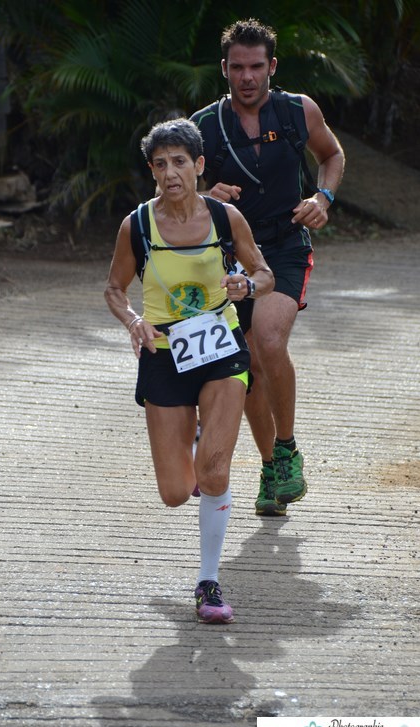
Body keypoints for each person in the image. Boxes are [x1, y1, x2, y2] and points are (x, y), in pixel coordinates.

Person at [104, 118, 274, 623]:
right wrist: (133, 320)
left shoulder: (225, 218)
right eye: (160, 164)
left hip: (220, 346)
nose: (170, 173)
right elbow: (113, 288)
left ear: (199, 165)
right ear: (152, 171)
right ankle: (198, 444)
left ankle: (208, 582)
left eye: (180, 162)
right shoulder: (137, 225)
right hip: (164, 353)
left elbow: (264, 273)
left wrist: (248, 287)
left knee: (214, 473)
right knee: (176, 492)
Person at [191, 18, 345, 516]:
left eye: (256, 66)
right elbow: (170, 193)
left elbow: (332, 154)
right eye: (237, 67)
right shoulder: (204, 127)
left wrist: (322, 196)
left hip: (284, 246)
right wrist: (204, 196)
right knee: (251, 365)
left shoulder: (298, 111)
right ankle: (269, 469)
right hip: (231, 256)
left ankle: (287, 448)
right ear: (224, 69)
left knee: (270, 339)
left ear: (272, 66)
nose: (247, 77)